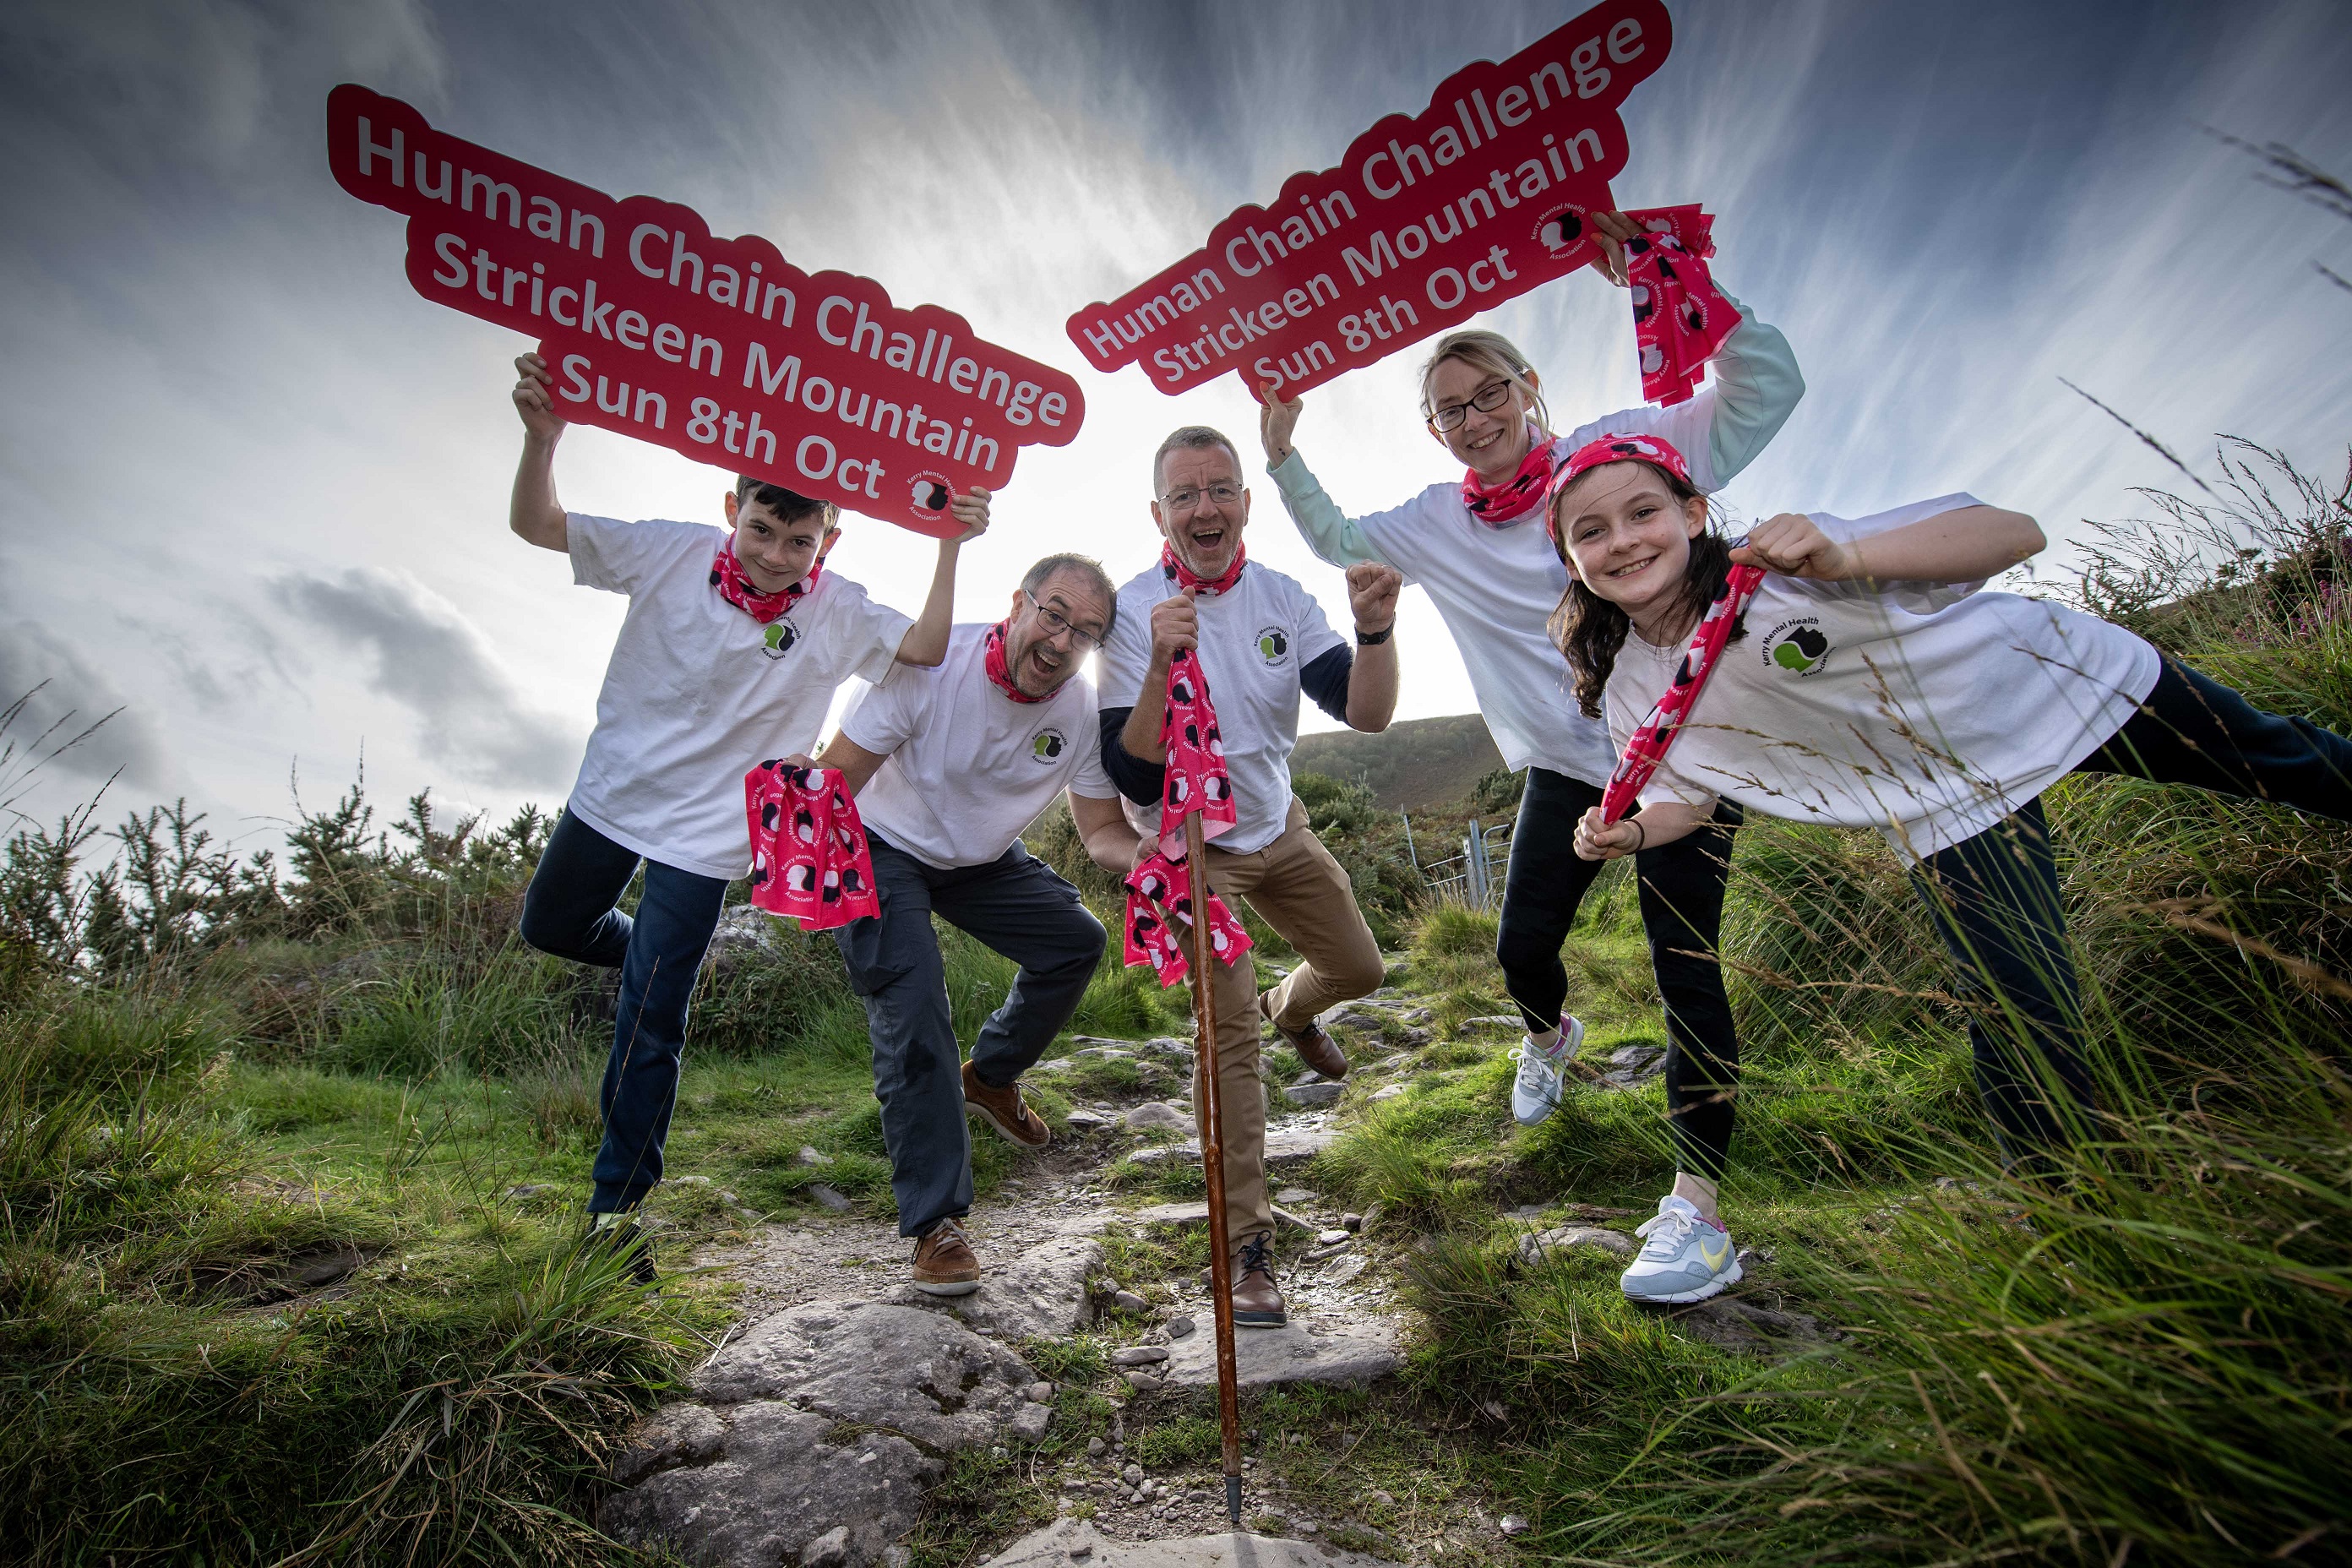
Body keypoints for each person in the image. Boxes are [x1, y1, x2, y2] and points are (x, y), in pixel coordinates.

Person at [1550, 432, 2352, 1302]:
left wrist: (1844, 554)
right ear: (1569, 558)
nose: (1622, 539)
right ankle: (2075, 1233)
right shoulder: (1632, 683)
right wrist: (1628, 836)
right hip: (1951, 806)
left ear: (1693, 513)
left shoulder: (1788, 564)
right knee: (2016, 1009)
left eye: (1643, 511)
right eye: (1591, 531)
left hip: (2063, 682)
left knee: (2294, 764)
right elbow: (1689, 799)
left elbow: (2013, 532)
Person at [1258, 210, 1805, 1152]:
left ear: (1528, 387)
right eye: (1451, 410)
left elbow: (1766, 390)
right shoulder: (1435, 522)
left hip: (1683, 754)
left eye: (1489, 393)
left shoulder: (1614, 458)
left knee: (1684, 961)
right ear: (1434, 430)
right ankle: (1549, 1040)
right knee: (1520, 951)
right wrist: (1280, 455)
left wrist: (1672, 281)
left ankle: (1698, 1181)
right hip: (1563, 764)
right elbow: (1339, 541)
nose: (1475, 419)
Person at [504, 351, 988, 1280]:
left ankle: (613, 1210)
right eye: (763, 530)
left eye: (797, 543)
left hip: (709, 834)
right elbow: (539, 523)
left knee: (652, 1015)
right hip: (613, 794)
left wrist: (949, 544)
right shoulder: (670, 549)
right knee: (550, 923)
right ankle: (655, 945)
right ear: (735, 511)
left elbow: (925, 647)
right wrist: (542, 440)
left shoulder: (838, 610)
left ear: (828, 542)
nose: (774, 555)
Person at [1094, 424, 1407, 1328]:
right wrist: (1158, 660)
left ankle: (1290, 1008)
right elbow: (1136, 777)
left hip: (1279, 823)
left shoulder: (1283, 597)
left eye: (1220, 488)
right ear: (1159, 512)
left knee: (1362, 969)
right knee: (1225, 1046)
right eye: (1185, 494)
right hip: (1195, 850)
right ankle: (1247, 1251)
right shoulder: (1130, 612)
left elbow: (1369, 711)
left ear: (1244, 503)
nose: (1205, 508)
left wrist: (1376, 628)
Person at [803, 555, 1128, 1296]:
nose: (1061, 641)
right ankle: (936, 1225)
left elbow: (1102, 827)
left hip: (980, 859)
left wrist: (1156, 863)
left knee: (1076, 940)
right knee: (913, 1010)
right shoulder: (931, 663)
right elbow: (837, 780)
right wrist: (807, 874)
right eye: (1052, 614)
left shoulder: (1080, 710)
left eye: (1085, 632)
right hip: (885, 845)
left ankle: (992, 1076)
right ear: (1018, 603)